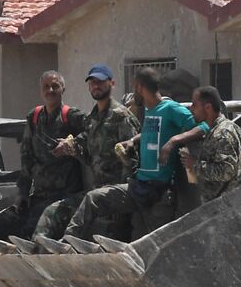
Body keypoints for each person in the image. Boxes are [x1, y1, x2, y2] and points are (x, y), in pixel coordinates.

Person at [66, 66, 196, 241]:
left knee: (155, 244)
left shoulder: (171, 109)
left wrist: (173, 141)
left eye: (135, 88)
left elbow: (201, 126)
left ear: (140, 87)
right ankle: (68, 240)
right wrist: (133, 140)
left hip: (160, 193)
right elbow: (153, 131)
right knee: (94, 198)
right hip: (138, 187)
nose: (133, 94)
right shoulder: (149, 110)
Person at [35, 63, 139, 239]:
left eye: (100, 82)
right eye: (92, 82)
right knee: (53, 211)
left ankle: (67, 242)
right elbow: (89, 155)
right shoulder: (92, 120)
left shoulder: (121, 117)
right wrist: (70, 148)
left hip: (117, 192)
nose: (96, 86)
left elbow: (134, 160)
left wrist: (122, 198)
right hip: (97, 190)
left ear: (112, 84)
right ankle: (38, 247)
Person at [16, 71, 86, 240]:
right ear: (41, 90)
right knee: (20, 230)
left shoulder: (71, 116)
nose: (50, 90)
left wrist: (71, 143)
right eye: (46, 87)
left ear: (63, 89)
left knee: (41, 237)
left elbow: (93, 131)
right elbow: (26, 157)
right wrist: (22, 192)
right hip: (40, 195)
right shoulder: (34, 117)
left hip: (66, 196)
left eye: (55, 86)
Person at [159, 86, 241, 202]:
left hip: (229, 204)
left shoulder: (222, 133)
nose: (191, 109)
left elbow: (227, 171)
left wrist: (195, 164)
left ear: (208, 107)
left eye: (194, 105)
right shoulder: (226, 128)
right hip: (227, 202)